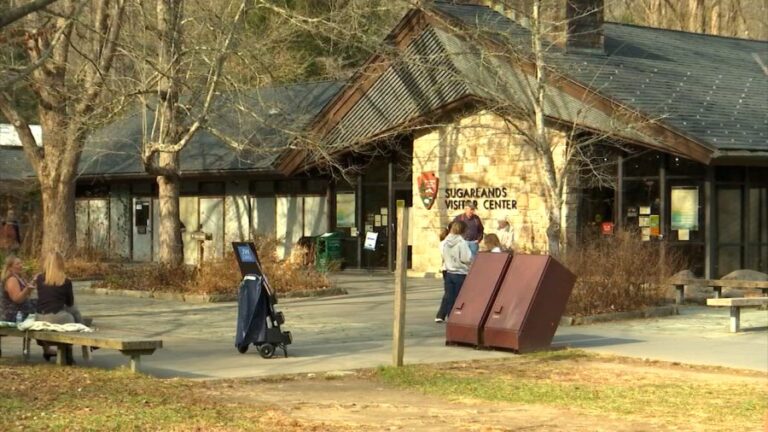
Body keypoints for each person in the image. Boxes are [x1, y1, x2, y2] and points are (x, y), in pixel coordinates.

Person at [435, 221, 472, 323]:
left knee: (450, 296)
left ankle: (450, 316)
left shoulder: (446, 242)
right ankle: (456, 317)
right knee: (459, 296)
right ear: (463, 230)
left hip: (449, 271)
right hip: (460, 272)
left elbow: (444, 255)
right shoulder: (462, 243)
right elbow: (466, 258)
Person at [35, 252, 82, 325]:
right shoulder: (66, 281)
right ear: (61, 264)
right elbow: (70, 303)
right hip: (57, 317)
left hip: (39, 317)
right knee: (74, 310)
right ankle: (82, 325)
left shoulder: (39, 278)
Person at [1, 255, 36, 322]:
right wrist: (27, 289)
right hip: (14, 314)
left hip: (22, 311)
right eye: (17, 264)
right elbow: (17, 299)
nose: (21, 265)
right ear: (10, 267)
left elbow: (26, 295)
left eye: (21, 263)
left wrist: (34, 281)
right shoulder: (12, 279)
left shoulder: (19, 278)